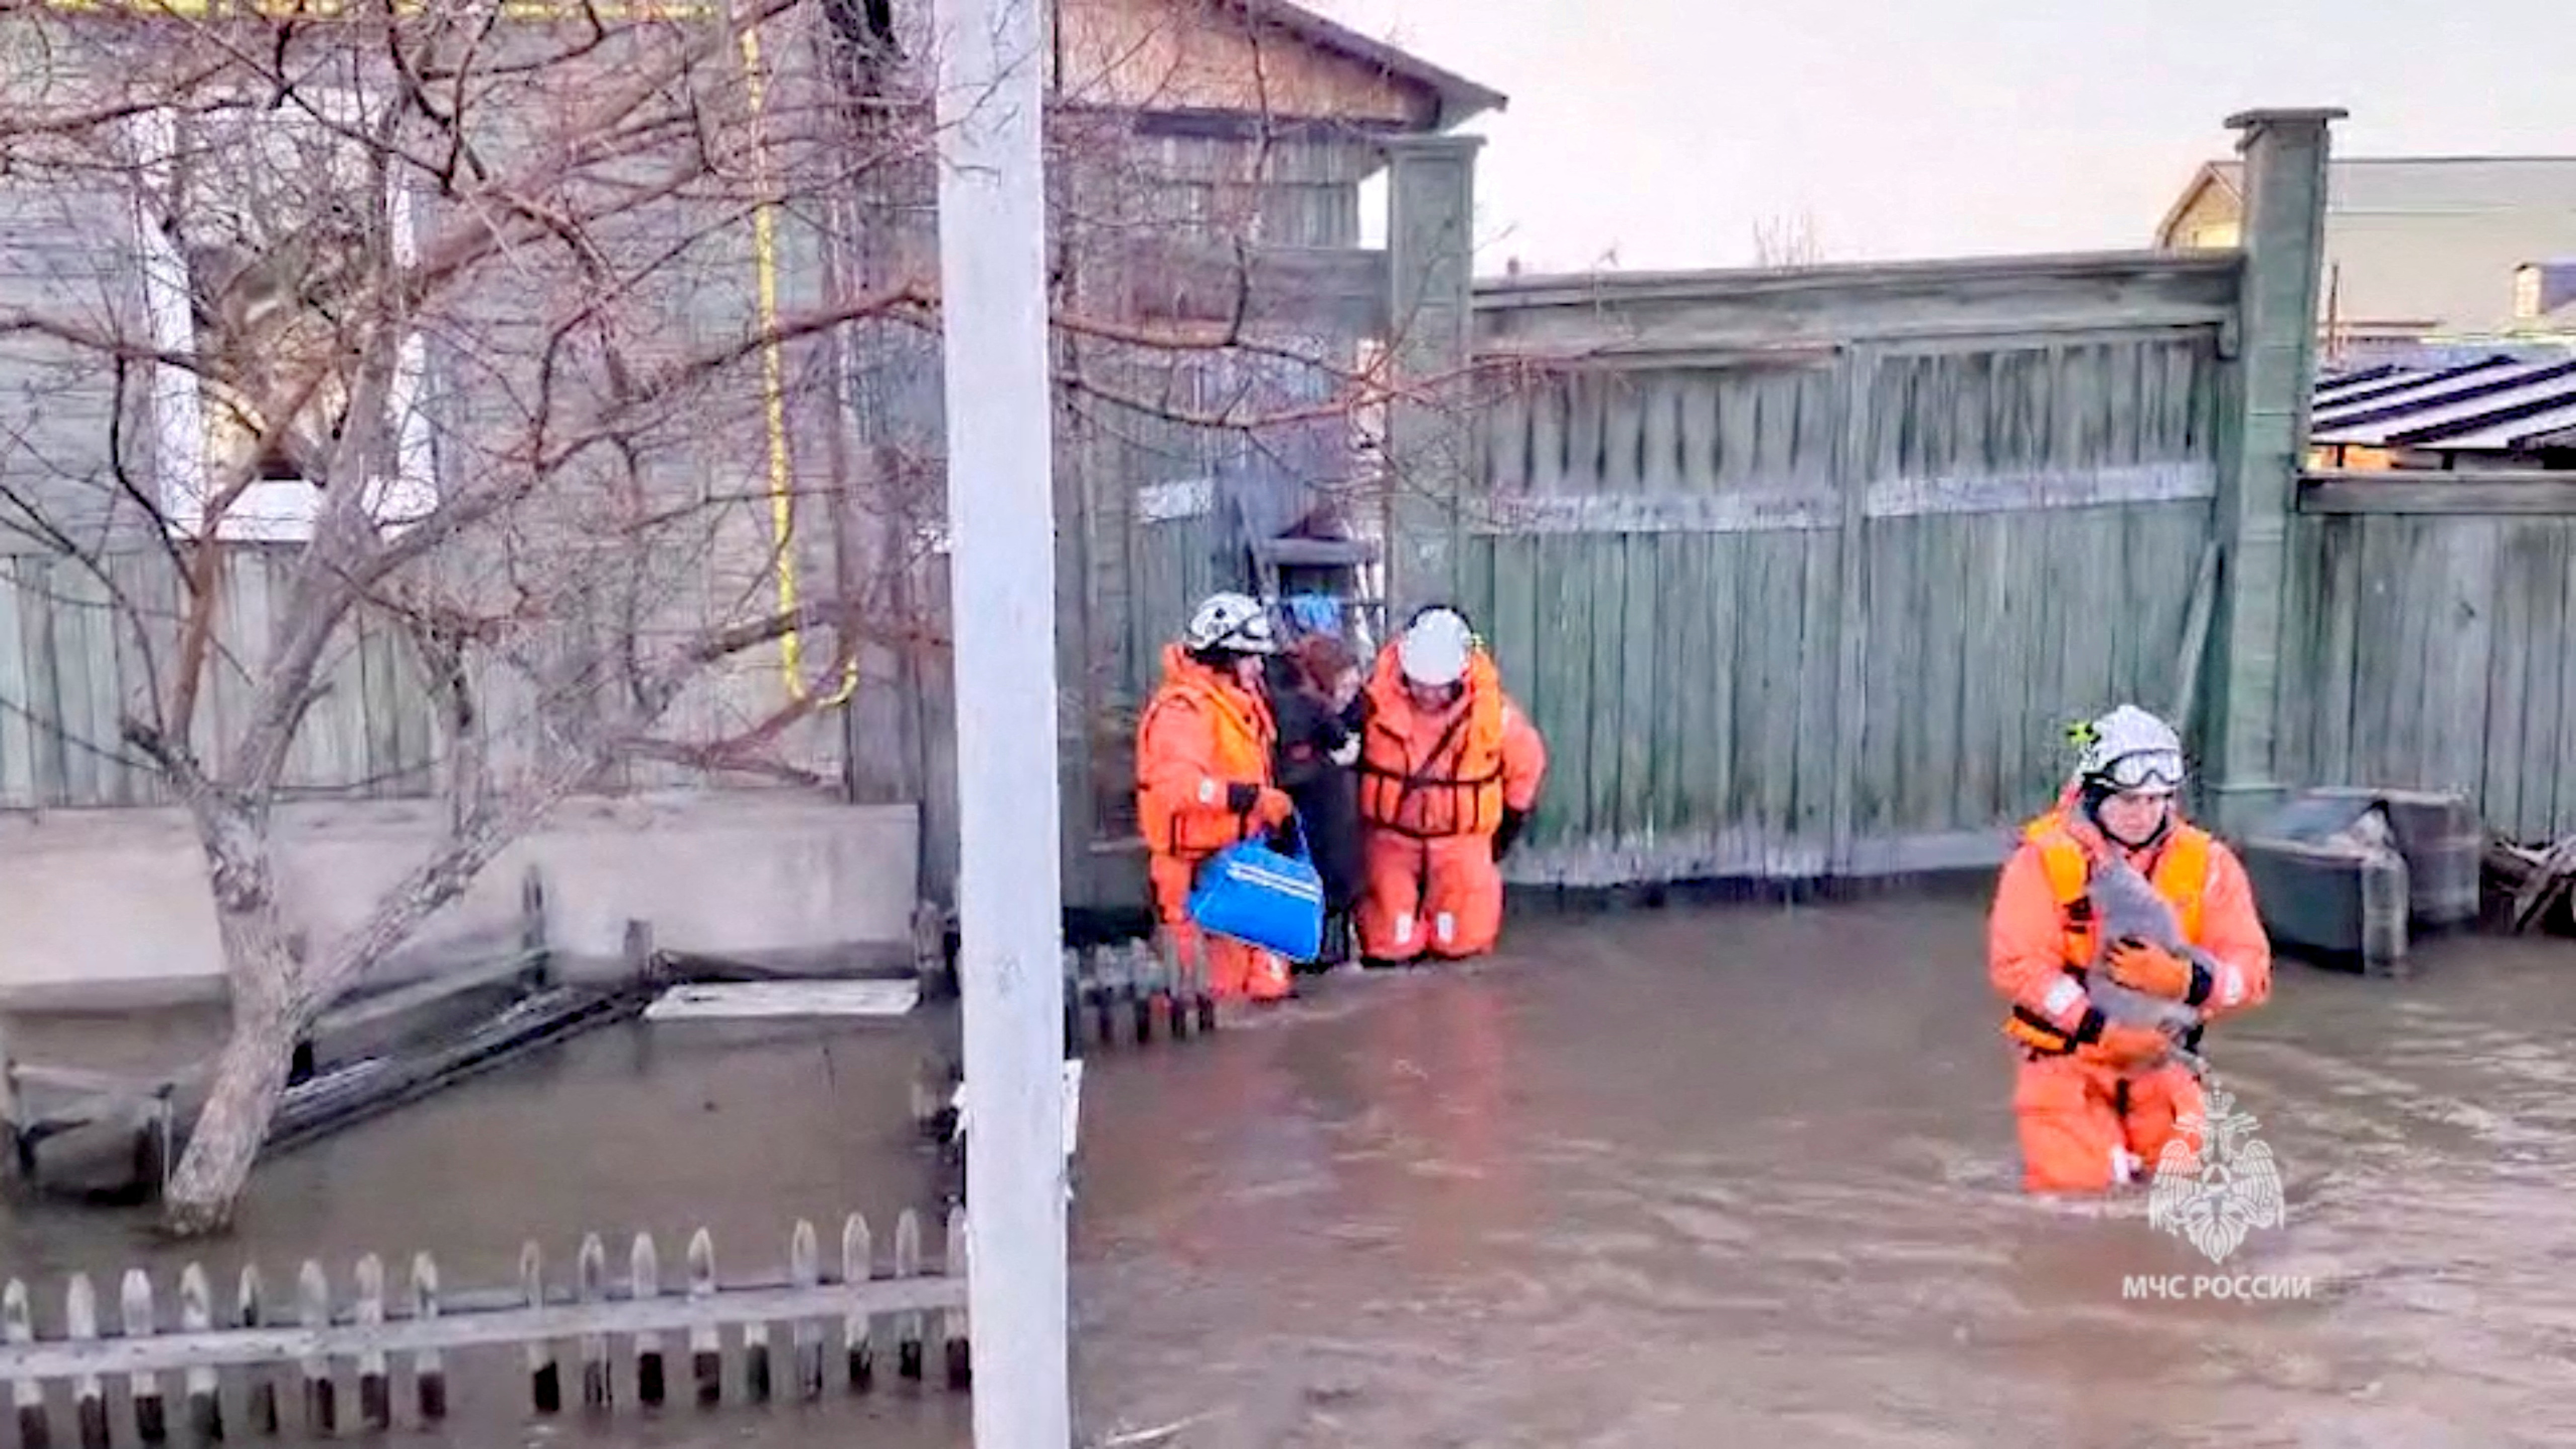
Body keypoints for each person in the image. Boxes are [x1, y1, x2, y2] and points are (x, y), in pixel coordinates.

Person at [1986, 704, 2274, 1195]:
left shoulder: (2209, 865)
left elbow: (2250, 975)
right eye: (2128, 800)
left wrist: (2187, 981)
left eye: (2155, 799)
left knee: (2178, 1199)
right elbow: (2019, 967)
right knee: (2072, 1202)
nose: (2143, 814)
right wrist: (2102, 1030)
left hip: (2164, 1066)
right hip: (2065, 1066)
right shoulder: (2044, 861)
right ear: (2095, 796)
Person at [1353, 605, 1548, 967]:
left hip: (1463, 845)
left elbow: (1526, 766)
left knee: (1462, 952)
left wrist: (1508, 827)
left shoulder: (1495, 718)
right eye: (1419, 684)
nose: (1427, 695)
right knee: (1386, 948)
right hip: (1389, 843)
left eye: (1436, 687)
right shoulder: (1371, 707)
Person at [1134, 591, 1297, 1005]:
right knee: (1211, 995)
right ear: (1224, 657)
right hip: (1194, 871)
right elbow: (1178, 789)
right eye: (1249, 657)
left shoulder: (1233, 706)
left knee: (1261, 985)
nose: (1258, 667)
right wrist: (1252, 799)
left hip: (1237, 862)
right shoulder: (1184, 712)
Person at [1266, 612, 1367, 969]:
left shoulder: (1341, 714)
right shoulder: (1293, 713)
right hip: (1307, 852)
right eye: (1344, 688)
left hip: (1331, 862)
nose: (1349, 697)